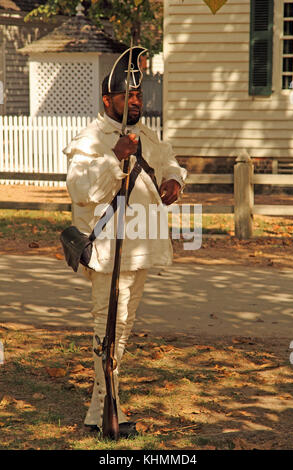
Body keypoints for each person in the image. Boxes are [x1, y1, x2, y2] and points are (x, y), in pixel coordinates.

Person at [63, 46, 187, 438]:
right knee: (108, 329)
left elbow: (167, 160)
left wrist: (174, 181)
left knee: (124, 329)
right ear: (107, 100)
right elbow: (82, 191)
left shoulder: (144, 133)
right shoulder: (91, 140)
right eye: (127, 96)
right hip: (107, 250)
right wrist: (114, 158)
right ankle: (105, 411)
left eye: (139, 95)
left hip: (140, 246)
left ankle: (104, 409)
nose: (137, 101)